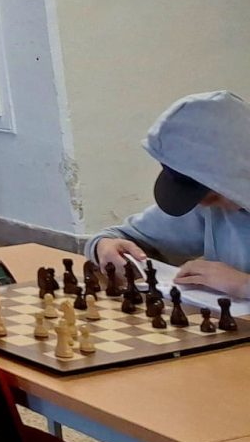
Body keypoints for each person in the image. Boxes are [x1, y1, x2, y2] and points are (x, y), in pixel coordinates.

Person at [87, 90, 250, 298]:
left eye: (213, 195)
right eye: (199, 198)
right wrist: (104, 246)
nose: (206, 205)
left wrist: (244, 285)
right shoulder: (208, 208)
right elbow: (124, 237)